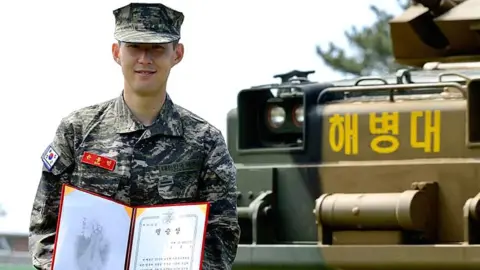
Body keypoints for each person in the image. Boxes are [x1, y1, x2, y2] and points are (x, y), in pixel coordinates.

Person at [28, 2, 240, 270]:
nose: (145, 59)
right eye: (135, 47)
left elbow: (222, 235)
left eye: (157, 49)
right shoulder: (77, 131)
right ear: (117, 52)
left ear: (177, 54)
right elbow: (45, 225)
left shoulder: (206, 142)